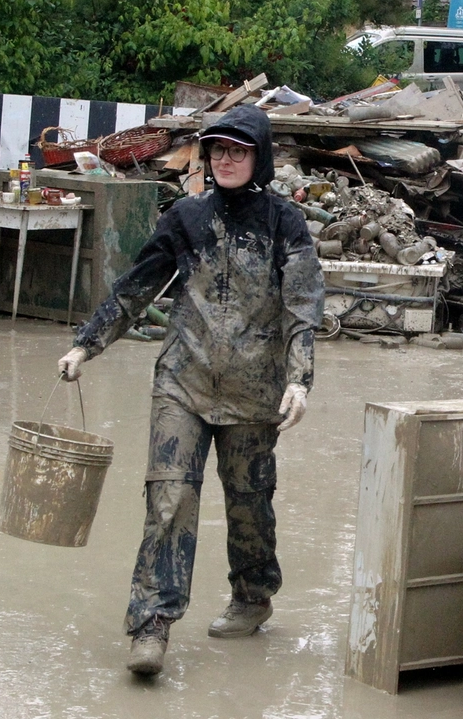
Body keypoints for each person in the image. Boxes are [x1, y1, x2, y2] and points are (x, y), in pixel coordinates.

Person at [57, 104, 325, 677]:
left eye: (238, 150)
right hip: (184, 378)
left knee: (248, 500)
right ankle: (151, 623)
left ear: (260, 156)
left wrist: (300, 379)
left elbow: (304, 305)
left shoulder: (285, 223)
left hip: (256, 389)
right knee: (169, 497)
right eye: (217, 151)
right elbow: (136, 287)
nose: (226, 160)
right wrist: (87, 344)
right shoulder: (186, 217)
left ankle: (253, 595)